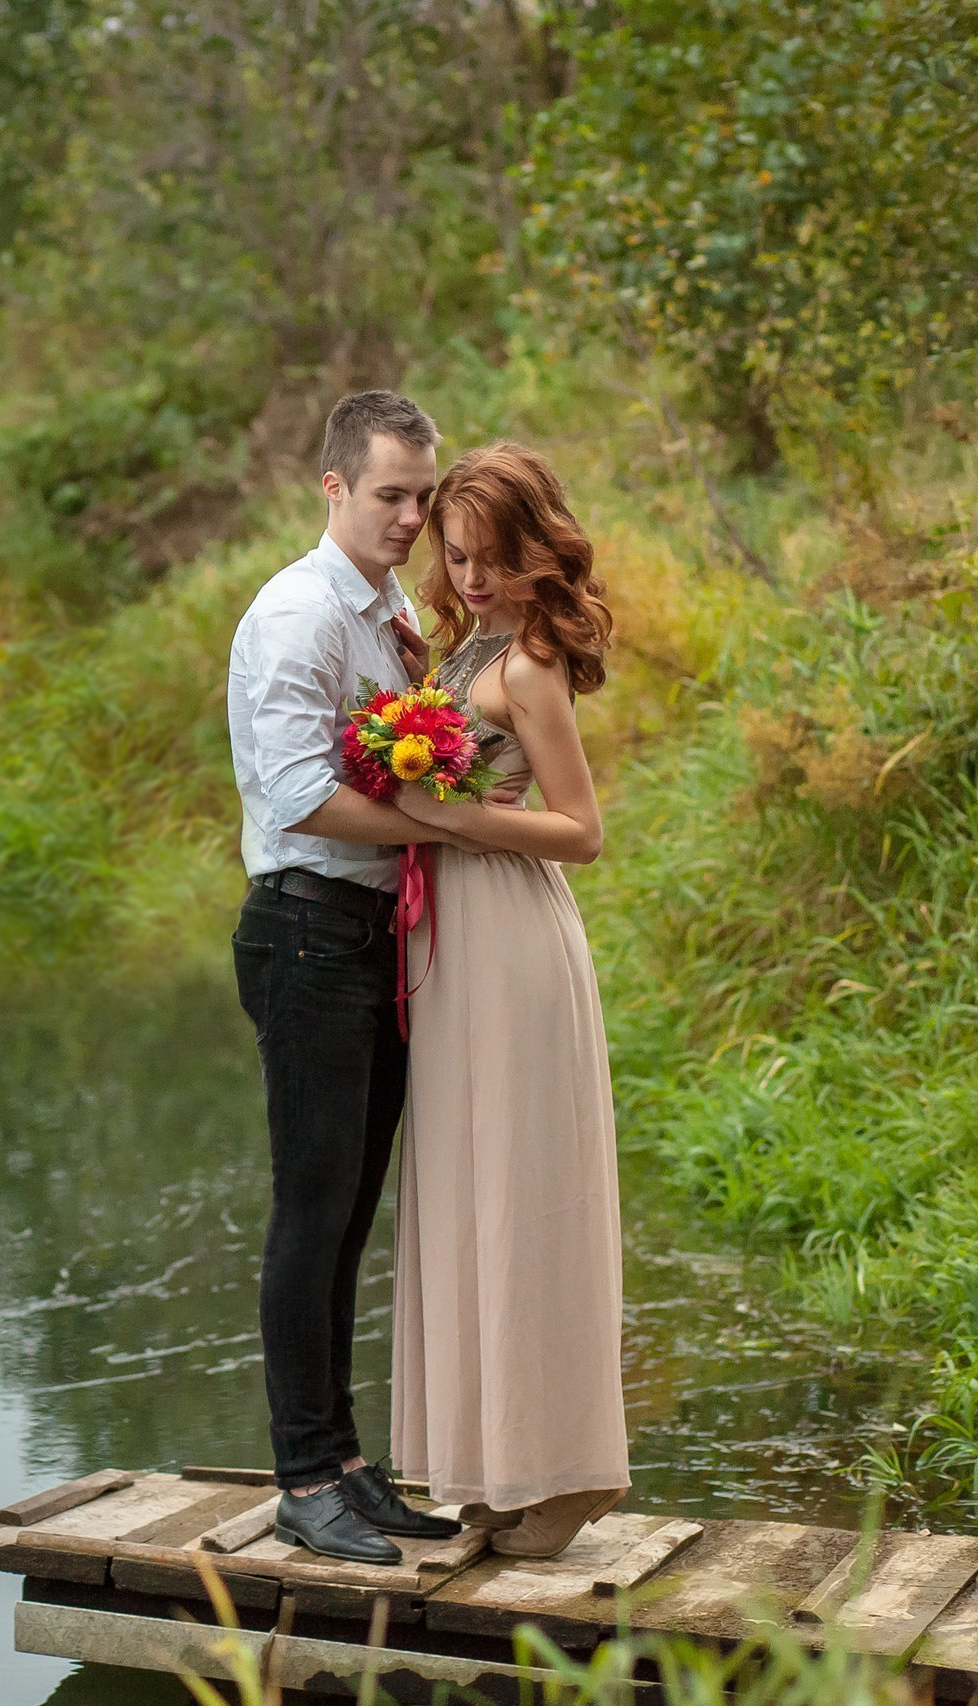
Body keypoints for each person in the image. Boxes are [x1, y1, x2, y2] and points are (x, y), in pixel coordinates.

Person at [226, 391, 482, 1565]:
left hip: (370, 933)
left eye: (420, 495)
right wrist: (452, 819)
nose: (410, 515)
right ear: (333, 487)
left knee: (349, 1212)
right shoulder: (297, 614)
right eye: (389, 494)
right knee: (311, 1208)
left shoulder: (387, 610)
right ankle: (300, 1480)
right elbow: (296, 796)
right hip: (303, 931)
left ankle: (342, 1464)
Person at [386, 442, 631, 1559]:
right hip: (454, 952)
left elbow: (580, 831)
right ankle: (496, 1462)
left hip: (516, 945)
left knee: (527, 1194)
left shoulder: (528, 664)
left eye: (491, 557)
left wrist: (450, 816)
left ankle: (572, 1472)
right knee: (467, 1194)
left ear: (537, 551)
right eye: (457, 553)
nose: (472, 576)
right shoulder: (462, 644)